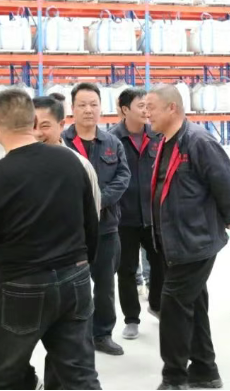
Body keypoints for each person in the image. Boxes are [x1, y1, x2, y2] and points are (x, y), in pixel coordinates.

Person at [0, 89, 101, 390]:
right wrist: (82, 268)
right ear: (34, 122)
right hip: (75, 279)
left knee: (6, 376)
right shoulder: (71, 162)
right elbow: (91, 225)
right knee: (78, 374)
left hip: (22, 286)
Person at [145, 84, 230, 390]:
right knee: (193, 304)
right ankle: (205, 370)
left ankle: (174, 378)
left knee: (172, 305)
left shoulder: (198, 141)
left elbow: (225, 183)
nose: (147, 114)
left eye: (151, 108)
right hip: (173, 241)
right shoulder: (165, 141)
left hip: (195, 241)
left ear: (172, 108)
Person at [63, 83, 131, 356]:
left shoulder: (112, 142)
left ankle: (102, 334)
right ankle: (72, 335)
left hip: (106, 227)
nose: (88, 110)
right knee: (70, 285)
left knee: (104, 285)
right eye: (82, 105)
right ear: (72, 108)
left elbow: (123, 176)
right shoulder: (62, 143)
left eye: (93, 104)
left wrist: (97, 200)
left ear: (101, 108)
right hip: (70, 230)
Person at [110, 88, 164, 340]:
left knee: (160, 264)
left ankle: (156, 304)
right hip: (125, 217)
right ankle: (131, 318)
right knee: (127, 270)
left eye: (147, 106)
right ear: (124, 109)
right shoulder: (111, 140)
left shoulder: (157, 136)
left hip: (154, 216)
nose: (146, 111)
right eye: (140, 106)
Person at [32, 93, 101, 214]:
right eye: (31, 126)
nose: (37, 133)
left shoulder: (80, 166)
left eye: (44, 126)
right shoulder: (16, 165)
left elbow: (92, 214)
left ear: (61, 125)